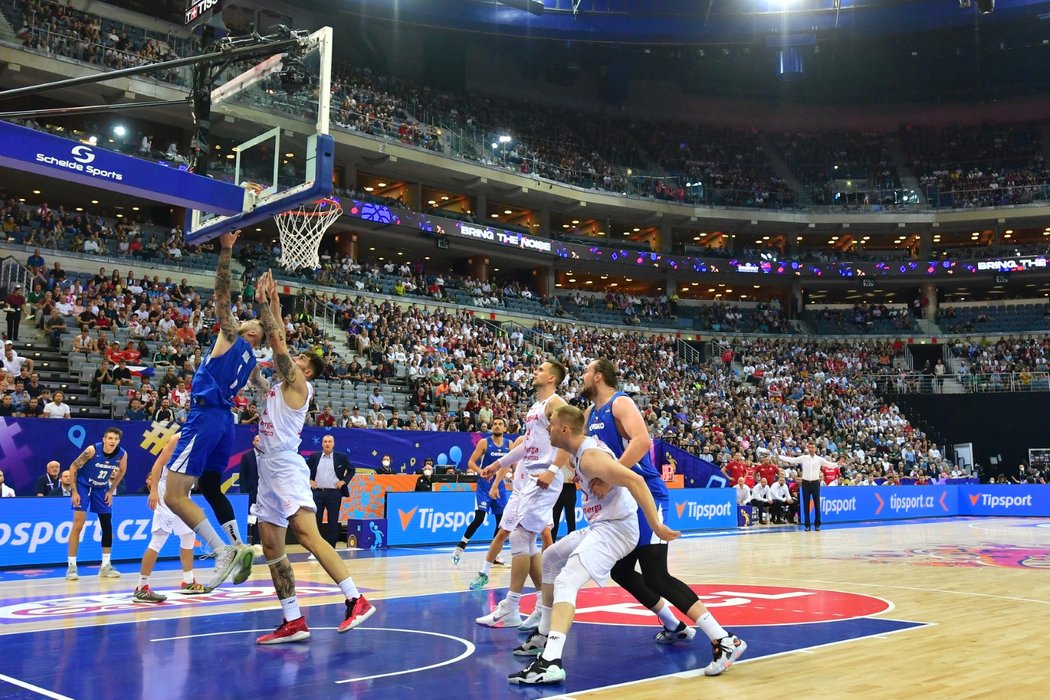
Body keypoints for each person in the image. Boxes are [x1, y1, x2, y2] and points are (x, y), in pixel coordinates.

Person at [577, 359, 744, 673]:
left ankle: (724, 639)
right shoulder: (591, 413)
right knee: (622, 571)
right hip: (624, 499)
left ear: (598, 376)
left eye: (585, 372)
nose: (581, 376)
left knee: (656, 575)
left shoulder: (620, 403)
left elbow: (643, 441)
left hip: (646, 495)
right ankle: (674, 625)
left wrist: (611, 477)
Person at [508, 405, 682, 685]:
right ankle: (543, 636)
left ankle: (551, 661)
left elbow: (637, 481)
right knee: (551, 557)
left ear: (564, 429)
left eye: (550, 424)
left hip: (617, 528)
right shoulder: (576, 450)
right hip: (602, 524)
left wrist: (657, 525)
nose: (547, 428)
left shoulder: (589, 458)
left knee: (567, 580)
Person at [251, 270, 374, 644]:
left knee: (307, 533)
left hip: (285, 465)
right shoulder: (278, 385)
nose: (293, 355)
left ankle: (356, 599)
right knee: (271, 544)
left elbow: (277, 341)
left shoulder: (299, 385)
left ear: (304, 370)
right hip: (267, 468)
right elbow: (276, 345)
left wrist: (263, 307)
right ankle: (293, 619)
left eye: (298, 357)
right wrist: (272, 301)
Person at [163, 231, 266, 591]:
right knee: (210, 485)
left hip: (206, 416)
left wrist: (225, 250)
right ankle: (238, 544)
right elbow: (266, 394)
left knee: (173, 496)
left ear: (248, 330)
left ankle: (221, 550)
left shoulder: (231, 336)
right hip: (227, 423)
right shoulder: (254, 363)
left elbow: (222, 295)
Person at [474, 360, 569, 629]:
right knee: (526, 542)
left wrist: (552, 469)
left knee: (519, 535)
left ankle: (512, 605)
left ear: (552, 378)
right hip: (530, 478)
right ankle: (539, 604)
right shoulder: (536, 407)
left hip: (543, 478)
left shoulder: (556, 403)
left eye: (541, 369)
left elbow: (571, 436)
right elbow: (526, 445)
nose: (535, 371)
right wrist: (498, 464)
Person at [133, 431, 208, 602]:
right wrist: (153, 491)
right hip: (166, 489)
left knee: (189, 535)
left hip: (183, 492)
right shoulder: (178, 439)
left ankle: (188, 582)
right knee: (158, 539)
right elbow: (158, 465)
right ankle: (141, 587)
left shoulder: (204, 441)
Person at [66, 427, 128, 580]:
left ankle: (105, 566)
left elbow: (122, 471)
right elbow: (73, 467)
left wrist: (111, 490)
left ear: (118, 441)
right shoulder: (92, 450)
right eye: (110, 438)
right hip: (83, 485)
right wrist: (74, 492)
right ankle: (72, 567)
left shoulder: (122, 454)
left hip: (101, 487)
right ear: (104, 439)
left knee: (107, 525)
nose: (113, 441)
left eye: (115, 439)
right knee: (79, 524)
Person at [452, 418, 512, 565]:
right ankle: (460, 547)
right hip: (484, 487)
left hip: (500, 488)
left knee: (501, 523)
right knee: (479, 518)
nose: (497, 427)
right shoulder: (484, 442)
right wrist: (481, 472)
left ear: (505, 428)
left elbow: (513, 465)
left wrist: (514, 475)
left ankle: (495, 554)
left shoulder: (509, 444)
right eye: (495, 424)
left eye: (500, 425)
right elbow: (470, 462)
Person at [776, 442, 842, 532]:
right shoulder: (804, 458)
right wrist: (780, 457)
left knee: (817, 505)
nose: (811, 449)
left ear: (815, 449)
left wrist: (838, 463)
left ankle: (817, 524)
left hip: (815, 483)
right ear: (807, 448)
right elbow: (792, 460)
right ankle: (807, 525)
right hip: (806, 483)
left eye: (812, 447)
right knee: (806, 505)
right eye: (809, 447)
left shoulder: (819, 459)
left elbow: (830, 464)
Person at [306, 435, 356, 549]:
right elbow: (304, 469)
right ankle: (315, 548)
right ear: (322, 444)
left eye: (329, 441)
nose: (327, 444)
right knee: (315, 521)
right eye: (325, 441)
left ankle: (331, 548)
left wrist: (344, 481)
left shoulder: (341, 457)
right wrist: (309, 480)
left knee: (333, 522)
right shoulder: (315, 456)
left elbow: (352, 470)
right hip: (317, 493)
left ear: (333, 443)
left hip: (334, 493)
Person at [239, 435, 261, 548]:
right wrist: (244, 493)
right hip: (250, 492)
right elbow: (242, 476)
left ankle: (257, 541)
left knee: (260, 517)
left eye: (261, 440)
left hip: (262, 493)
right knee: (248, 516)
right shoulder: (247, 457)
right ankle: (246, 540)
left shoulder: (267, 456)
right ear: (253, 442)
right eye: (257, 440)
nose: (259, 442)